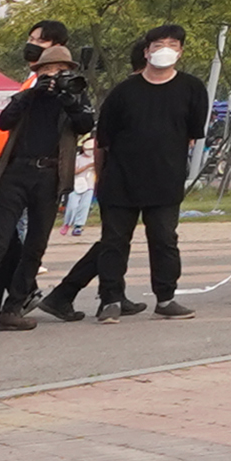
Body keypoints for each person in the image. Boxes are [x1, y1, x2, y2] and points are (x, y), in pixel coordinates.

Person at [47, 24, 209, 321]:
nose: (165, 50)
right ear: (146, 51)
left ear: (181, 51)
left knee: (164, 239)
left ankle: (166, 297)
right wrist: (99, 178)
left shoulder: (192, 88)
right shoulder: (123, 92)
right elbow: (103, 141)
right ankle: (110, 299)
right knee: (114, 241)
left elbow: (191, 136)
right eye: (158, 44)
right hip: (120, 180)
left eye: (173, 44)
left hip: (166, 180)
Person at [0, 27, 90, 336]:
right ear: (38, 71)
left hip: (49, 176)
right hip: (14, 173)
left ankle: (12, 309)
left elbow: (85, 123)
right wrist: (33, 93)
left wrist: (67, 97)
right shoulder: (27, 94)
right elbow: (5, 121)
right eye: (49, 70)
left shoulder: (73, 95)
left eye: (61, 70)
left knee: (35, 246)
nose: (55, 75)